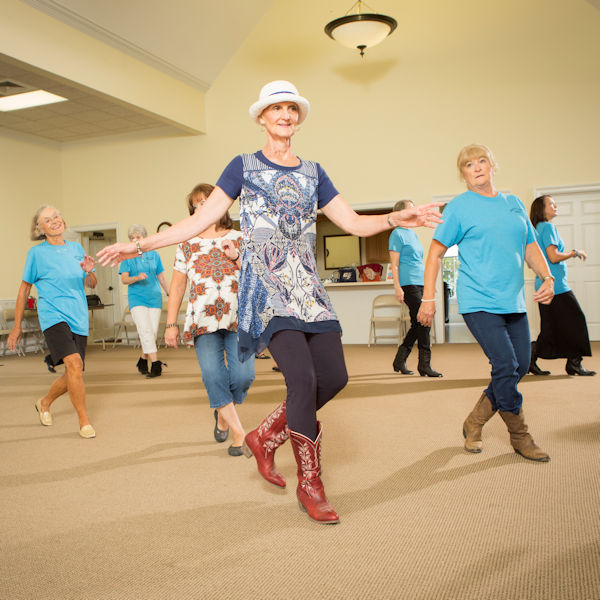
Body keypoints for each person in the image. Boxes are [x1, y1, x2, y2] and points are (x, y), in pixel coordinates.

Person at [97, 80, 443, 524]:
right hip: (266, 289)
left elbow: (353, 223)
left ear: (297, 119)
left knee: (334, 378)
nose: (285, 115)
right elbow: (197, 222)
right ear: (262, 118)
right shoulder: (242, 167)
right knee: (301, 380)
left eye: (292, 109)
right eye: (276, 109)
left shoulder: (314, 172)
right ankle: (310, 483)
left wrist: (398, 216)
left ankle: (264, 435)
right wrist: (140, 246)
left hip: (308, 288)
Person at [418, 144, 555, 462]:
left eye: (482, 161)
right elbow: (435, 253)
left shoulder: (513, 204)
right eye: (468, 164)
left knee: (519, 366)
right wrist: (428, 299)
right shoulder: (459, 208)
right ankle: (520, 436)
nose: (476, 167)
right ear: (463, 173)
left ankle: (474, 422)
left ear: (493, 165)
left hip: (514, 301)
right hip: (478, 300)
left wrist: (548, 278)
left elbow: (531, 246)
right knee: (505, 365)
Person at [164, 183, 255, 456]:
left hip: (239, 317)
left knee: (243, 376)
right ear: (193, 210)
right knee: (212, 374)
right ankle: (239, 434)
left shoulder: (239, 237)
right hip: (202, 319)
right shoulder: (187, 244)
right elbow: (178, 286)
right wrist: (171, 324)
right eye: (197, 204)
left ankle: (223, 412)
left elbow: (256, 276)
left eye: (208, 201)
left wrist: (235, 256)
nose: (202, 207)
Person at [8, 206, 97, 438]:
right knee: (75, 365)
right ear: (40, 229)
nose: (54, 221)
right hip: (53, 316)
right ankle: (84, 422)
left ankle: (45, 402)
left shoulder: (77, 248)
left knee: (72, 373)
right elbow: (24, 290)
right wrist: (16, 327)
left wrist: (89, 272)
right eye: (48, 220)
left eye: (56, 216)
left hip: (78, 315)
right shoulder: (36, 254)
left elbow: (92, 283)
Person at [528, 195, 596, 376]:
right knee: (577, 321)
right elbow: (553, 256)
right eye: (551, 203)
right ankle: (574, 363)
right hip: (555, 287)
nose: (555, 205)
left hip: (543, 285)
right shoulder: (548, 227)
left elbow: (531, 260)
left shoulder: (536, 229)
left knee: (550, 328)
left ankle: (530, 358)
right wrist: (575, 252)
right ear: (541, 209)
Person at [389, 199, 442, 377]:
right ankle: (424, 365)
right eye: (411, 207)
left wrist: (429, 285)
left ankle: (400, 359)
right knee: (424, 321)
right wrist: (397, 287)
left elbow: (419, 262)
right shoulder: (397, 234)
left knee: (418, 322)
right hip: (408, 282)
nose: (415, 209)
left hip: (420, 281)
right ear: (402, 212)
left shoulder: (413, 234)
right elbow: (394, 265)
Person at [119, 225, 170, 378]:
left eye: (138, 238)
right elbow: (124, 279)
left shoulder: (154, 255)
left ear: (144, 239)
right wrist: (136, 277)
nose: (134, 240)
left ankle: (142, 360)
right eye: (132, 238)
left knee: (151, 333)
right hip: (137, 298)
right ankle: (155, 365)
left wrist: (169, 292)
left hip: (154, 298)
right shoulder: (126, 257)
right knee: (146, 331)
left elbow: (161, 277)